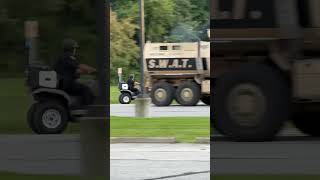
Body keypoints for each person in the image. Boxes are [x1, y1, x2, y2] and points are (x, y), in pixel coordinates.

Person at [54, 38, 96, 106]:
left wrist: (87, 72)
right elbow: (80, 66)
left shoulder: (63, 57)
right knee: (86, 89)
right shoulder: (67, 57)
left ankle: (79, 104)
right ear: (70, 49)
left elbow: (75, 70)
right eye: (74, 48)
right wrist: (93, 69)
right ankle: (89, 108)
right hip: (67, 83)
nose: (75, 50)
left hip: (64, 82)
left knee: (86, 83)